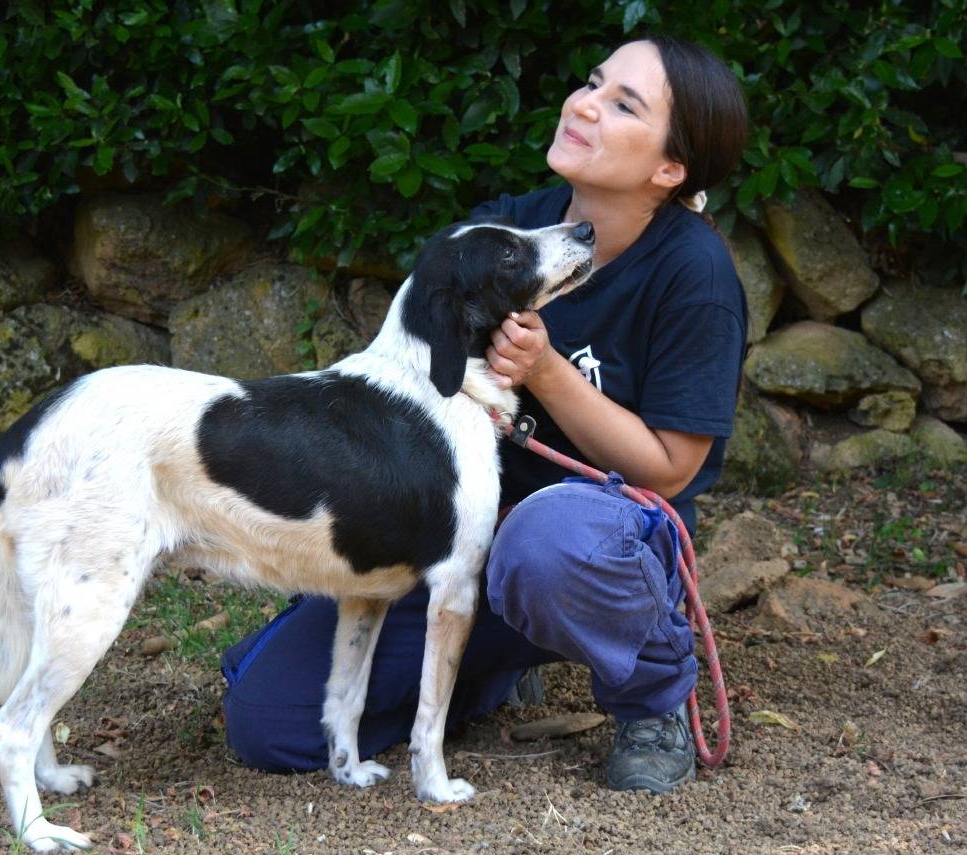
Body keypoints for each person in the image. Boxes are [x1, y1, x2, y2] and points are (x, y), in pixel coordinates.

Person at [220, 34, 748, 794]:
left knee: (543, 543)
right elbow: (409, 387)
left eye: (623, 103)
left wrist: (545, 371)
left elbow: (669, 471)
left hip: (592, 547)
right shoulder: (505, 230)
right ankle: (493, 660)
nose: (585, 103)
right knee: (269, 723)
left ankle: (651, 694)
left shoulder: (691, 273)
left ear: (671, 169)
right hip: (455, 542)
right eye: (592, 81)